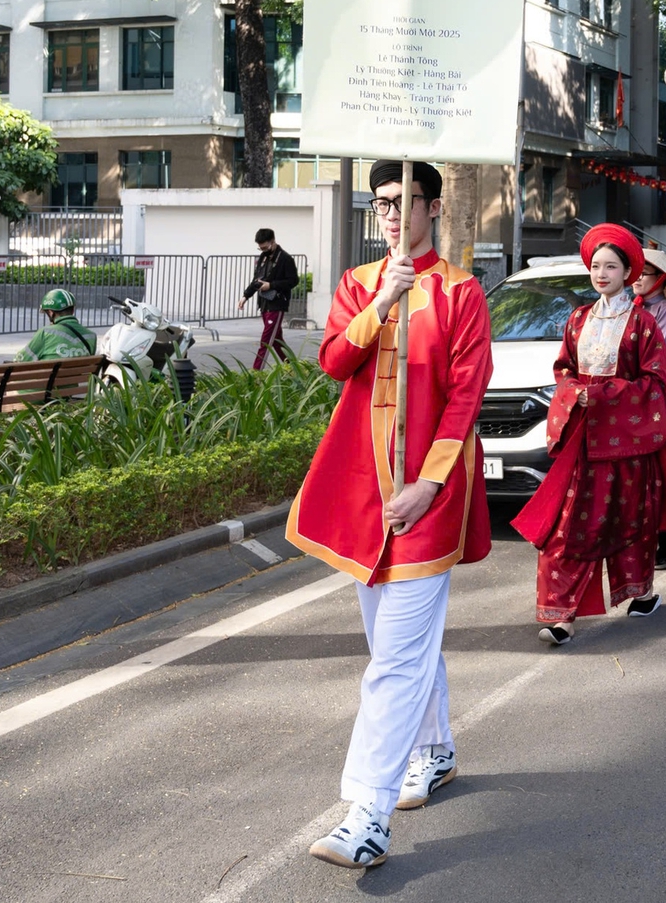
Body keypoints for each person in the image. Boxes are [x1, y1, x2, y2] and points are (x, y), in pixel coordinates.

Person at [290, 160, 493, 870]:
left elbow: (466, 396)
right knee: (396, 649)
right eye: (380, 203)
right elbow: (334, 361)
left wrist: (431, 484)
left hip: (425, 500)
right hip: (363, 495)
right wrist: (383, 304)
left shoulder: (463, 290)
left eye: (404, 200)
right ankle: (434, 749)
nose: (390, 213)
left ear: (432, 207)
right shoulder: (359, 283)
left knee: (396, 660)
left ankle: (367, 815)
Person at [512, 224, 666, 642]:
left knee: (631, 519)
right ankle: (561, 616)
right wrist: (574, 394)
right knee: (568, 526)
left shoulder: (643, 323)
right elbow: (563, 371)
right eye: (595, 266)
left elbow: (659, 385)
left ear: (629, 272)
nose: (601, 273)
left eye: (610, 266)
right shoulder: (577, 319)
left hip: (626, 439)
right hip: (583, 440)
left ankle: (640, 594)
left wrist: (605, 395)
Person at [241, 227, 300, 369]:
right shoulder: (263, 258)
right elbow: (256, 279)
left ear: (273, 241)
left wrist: (271, 285)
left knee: (266, 340)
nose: (263, 250)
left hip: (277, 304)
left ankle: (256, 371)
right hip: (264, 303)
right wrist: (245, 296)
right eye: (260, 248)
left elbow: (293, 281)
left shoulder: (285, 259)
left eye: (265, 247)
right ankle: (293, 367)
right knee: (277, 340)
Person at [13, 288, 98, 362]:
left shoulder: (45, 333)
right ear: (72, 311)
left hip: (49, 380)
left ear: (51, 313)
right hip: (76, 380)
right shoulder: (91, 336)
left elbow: (22, 359)